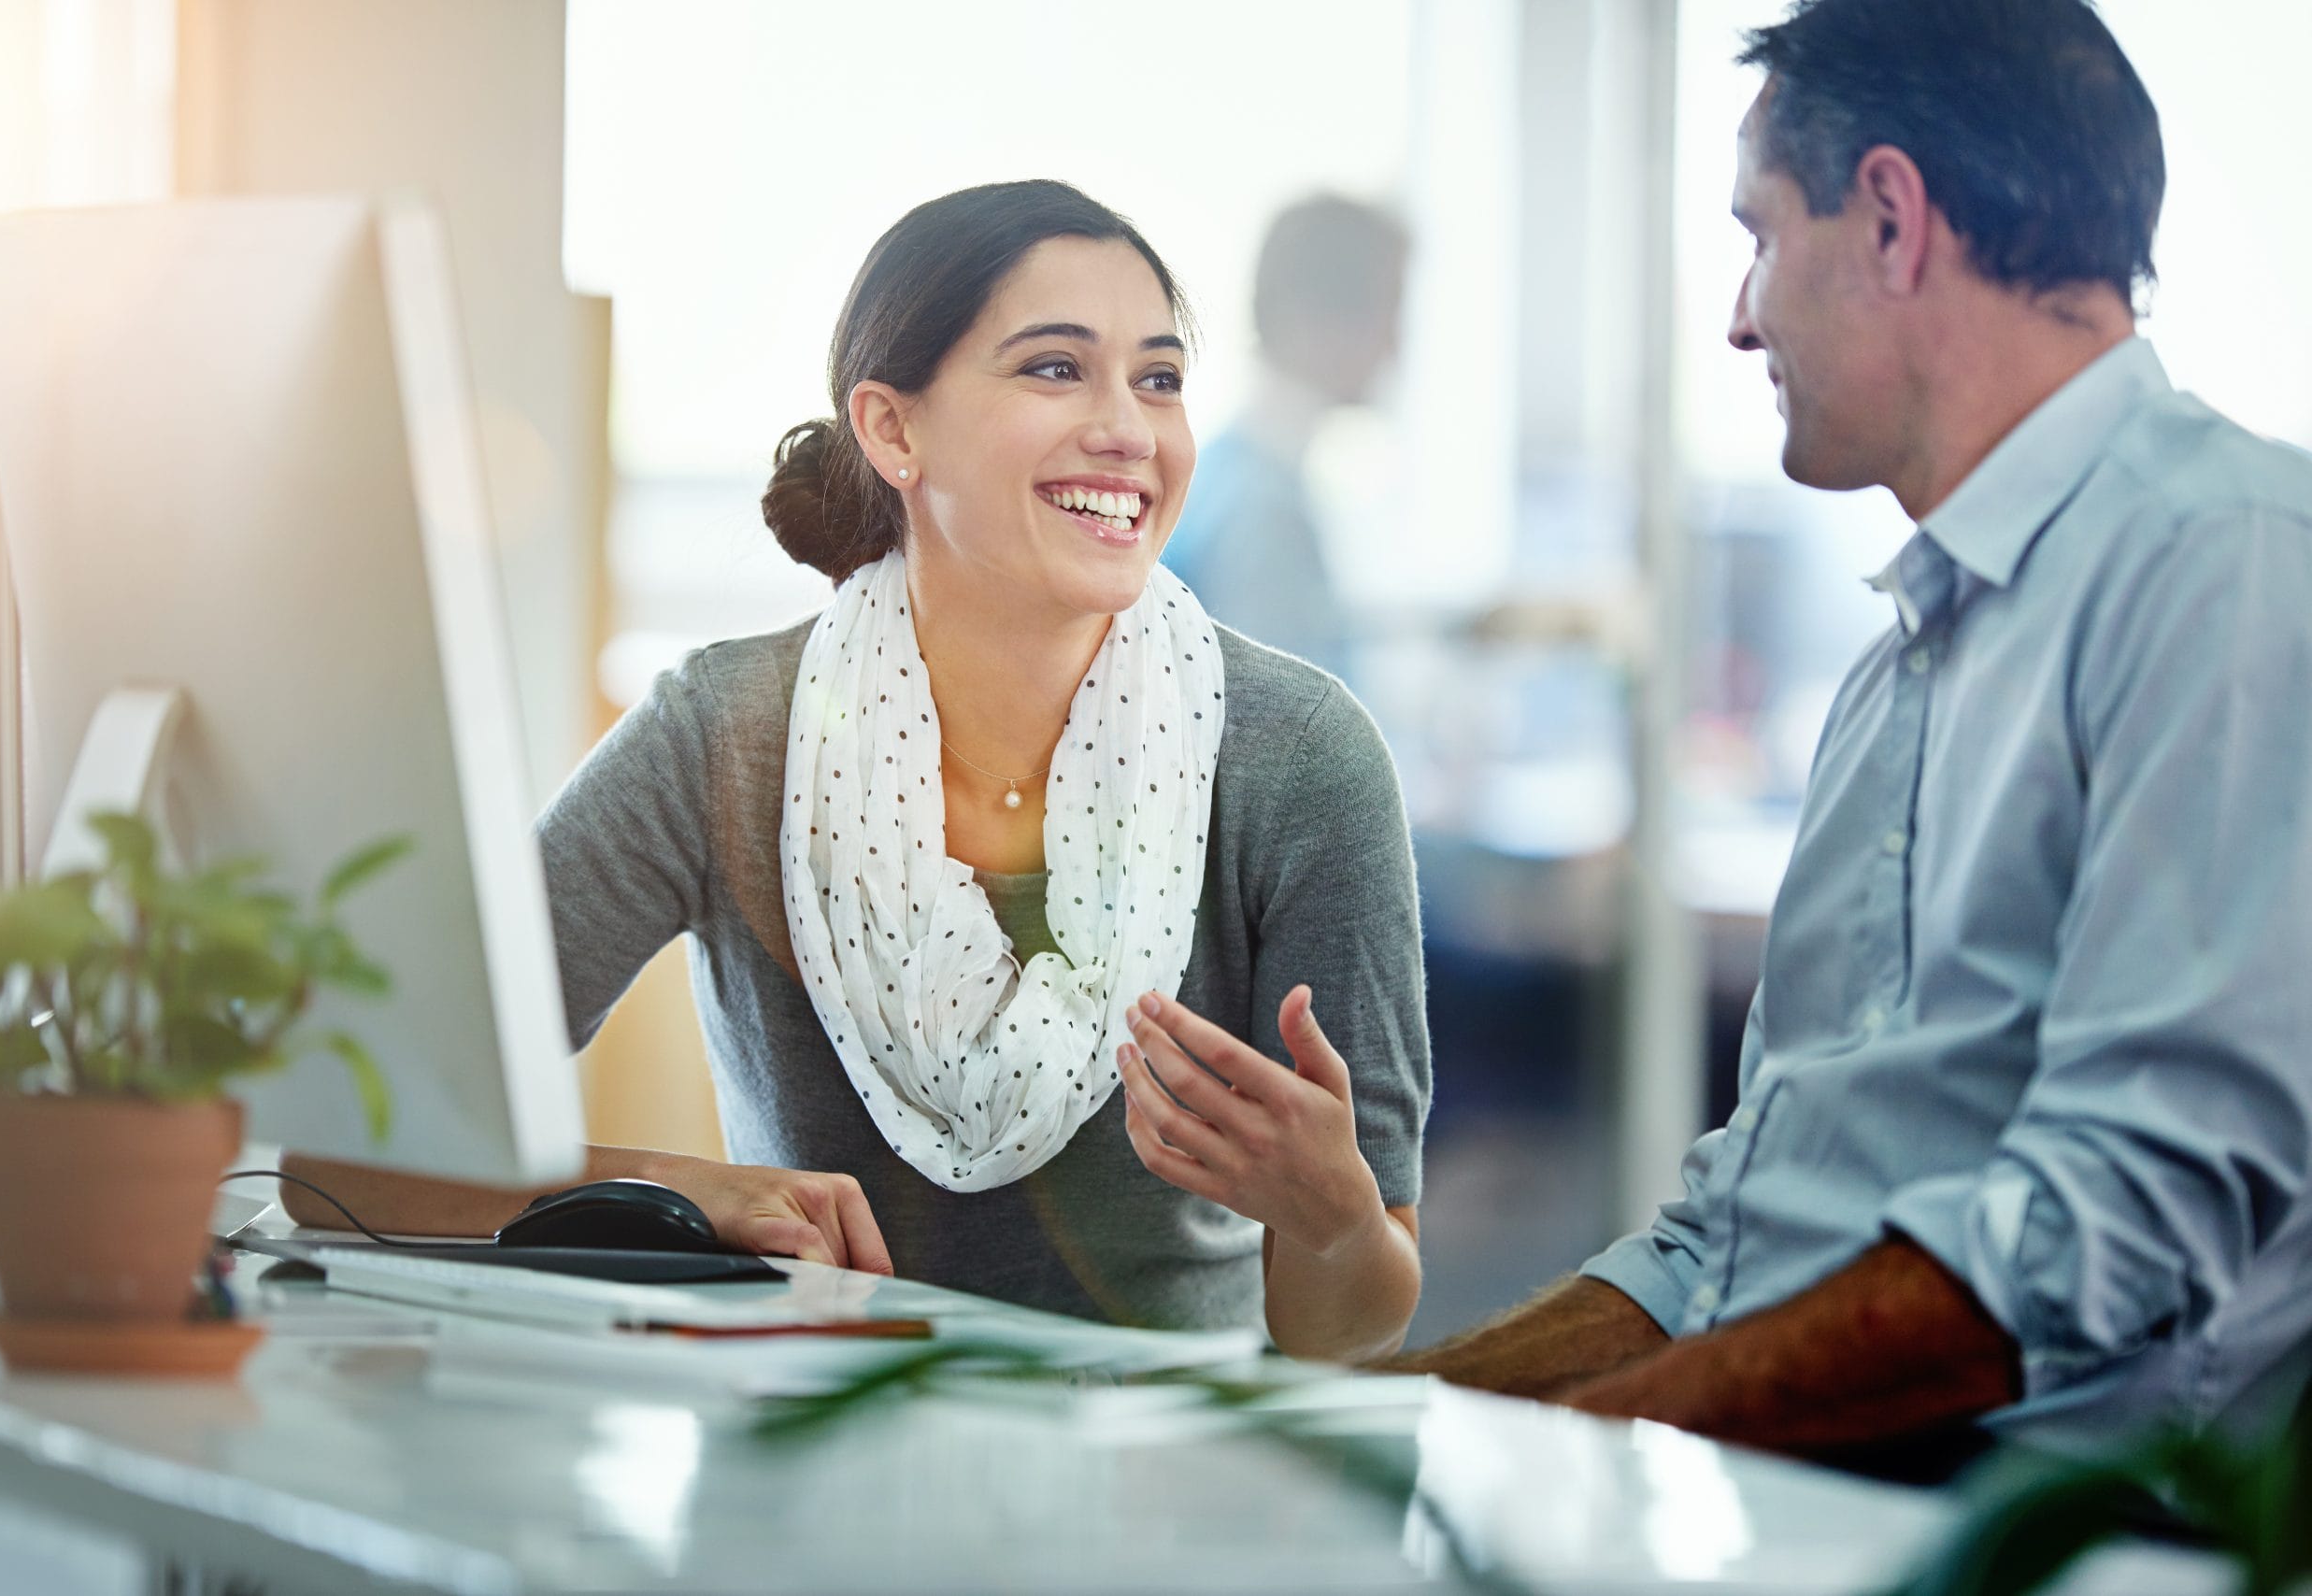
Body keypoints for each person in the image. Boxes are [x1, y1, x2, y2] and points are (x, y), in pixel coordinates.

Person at [285, 181, 1429, 1362]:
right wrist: (681, 1192)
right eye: (1053, 369)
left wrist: (1335, 1218)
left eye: (1158, 378)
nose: (1129, 430)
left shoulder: (1302, 760)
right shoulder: (726, 736)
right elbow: (341, 1167)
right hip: (807, 1487)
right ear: (892, 428)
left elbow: (1344, 1328)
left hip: (1161, 1491)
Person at [1393, 0, 2312, 1468]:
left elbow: (2119, 1227)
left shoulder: (2235, 558)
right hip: (1805, 1509)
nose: (1740, 314)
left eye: (1759, 233)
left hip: (2043, 1541)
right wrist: (1380, 1414)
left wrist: (1568, 1451)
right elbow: (1729, 1243)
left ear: (1890, 218)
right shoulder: (1902, 674)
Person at [1160, 195, 1408, 682]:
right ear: (1314, 321)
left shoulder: (1226, 474)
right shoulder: (1264, 512)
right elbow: (1282, 743)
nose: (1395, 347)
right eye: (1388, 312)